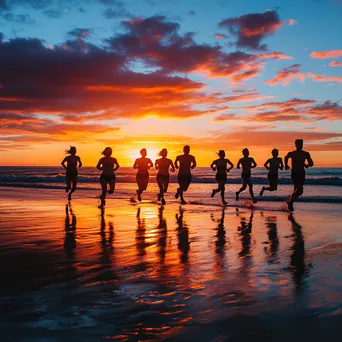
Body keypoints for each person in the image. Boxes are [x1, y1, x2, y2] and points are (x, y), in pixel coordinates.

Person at [285, 139, 314, 212]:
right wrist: (286, 165)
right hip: (295, 173)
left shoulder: (306, 153)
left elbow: (311, 163)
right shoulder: (292, 153)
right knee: (299, 189)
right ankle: (290, 202)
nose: (300, 145)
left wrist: (307, 165)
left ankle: (290, 201)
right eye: (298, 144)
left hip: (302, 173)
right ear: (295, 145)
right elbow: (286, 157)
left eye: (301, 144)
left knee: (298, 191)